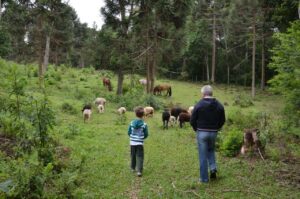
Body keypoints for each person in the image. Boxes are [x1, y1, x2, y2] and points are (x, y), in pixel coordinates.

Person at [190, 85, 225, 183]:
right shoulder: (219, 105)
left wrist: (195, 128)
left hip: (201, 132)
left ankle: (204, 179)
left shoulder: (199, 104)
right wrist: (217, 128)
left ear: (203, 94)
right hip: (213, 133)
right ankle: (213, 168)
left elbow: (192, 120)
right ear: (211, 93)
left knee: (202, 155)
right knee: (211, 150)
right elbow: (223, 120)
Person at [128, 106, 149, 177]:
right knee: (140, 156)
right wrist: (142, 138)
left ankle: (132, 168)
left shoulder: (131, 123)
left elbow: (129, 132)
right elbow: (146, 134)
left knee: (133, 155)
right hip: (140, 143)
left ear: (135, 114)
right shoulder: (144, 124)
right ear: (143, 115)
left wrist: (132, 137)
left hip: (132, 142)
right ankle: (139, 171)